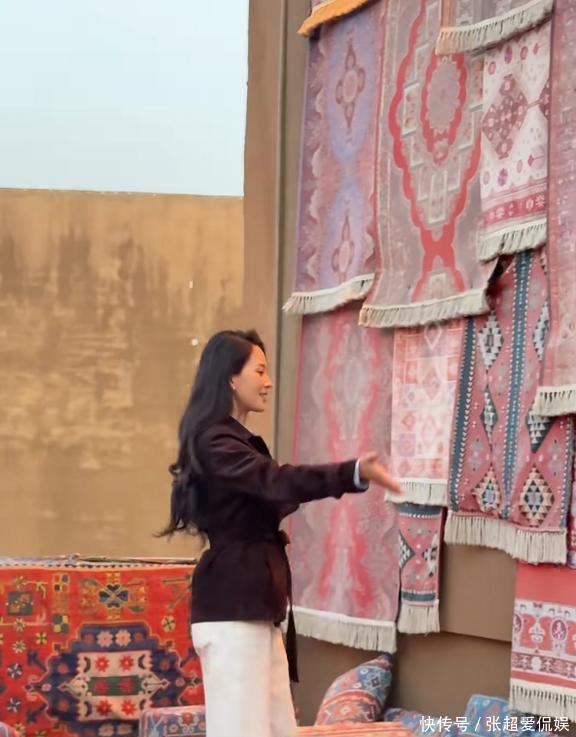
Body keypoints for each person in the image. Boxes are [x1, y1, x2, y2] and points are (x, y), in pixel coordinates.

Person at [160, 329, 402, 737]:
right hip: (234, 611)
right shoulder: (214, 441)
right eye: (259, 371)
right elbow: (277, 481)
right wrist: (352, 473)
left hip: (256, 608)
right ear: (230, 377)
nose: (268, 381)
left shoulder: (232, 440)